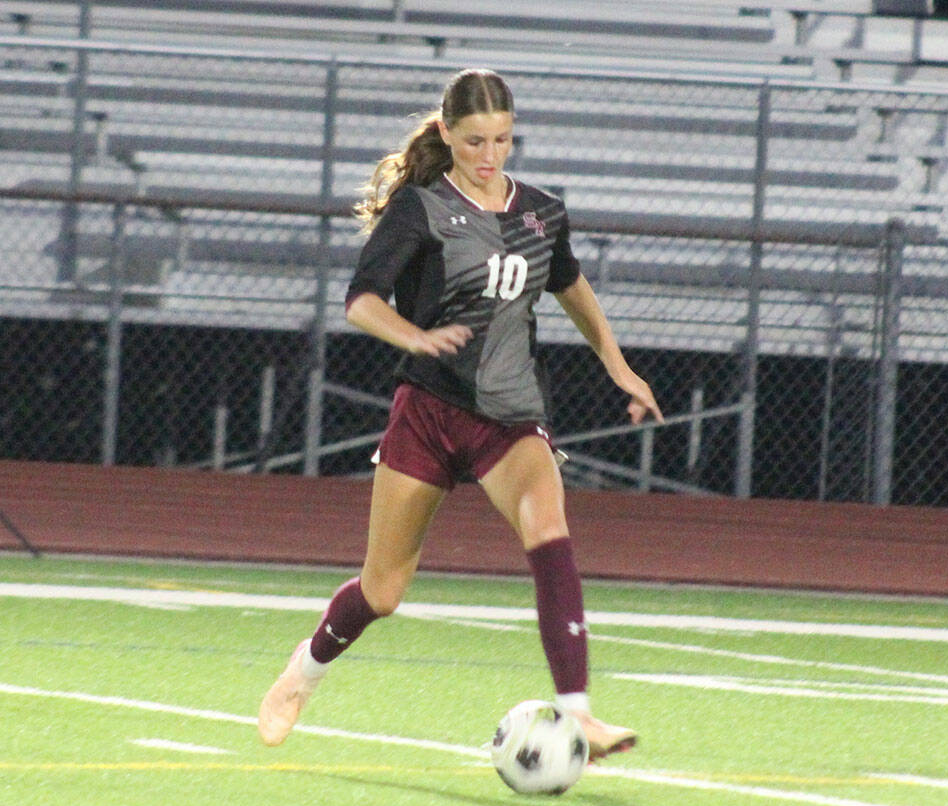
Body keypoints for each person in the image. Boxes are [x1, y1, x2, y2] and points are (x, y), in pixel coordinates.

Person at [257, 68, 664, 756]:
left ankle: (579, 714)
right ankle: (305, 670)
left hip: (510, 419)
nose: (489, 155)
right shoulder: (419, 208)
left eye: (502, 140)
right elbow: (360, 300)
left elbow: (570, 287)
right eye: (475, 140)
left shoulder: (541, 212)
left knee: (549, 528)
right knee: (383, 591)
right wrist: (413, 335)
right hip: (428, 413)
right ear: (446, 134)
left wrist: (618, 365)